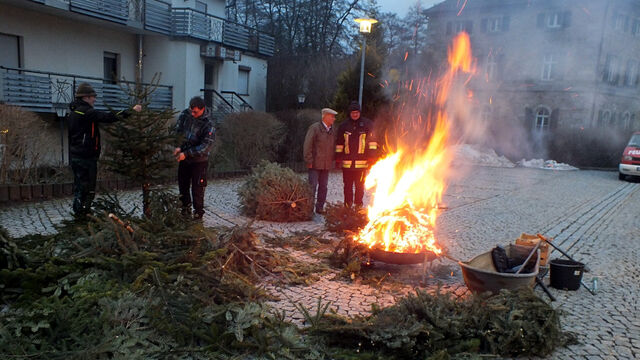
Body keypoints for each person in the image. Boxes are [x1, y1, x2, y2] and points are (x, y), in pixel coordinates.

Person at [68, 82, 141, 217]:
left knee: (79, 186)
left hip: (76, 156)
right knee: (88, 188)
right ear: (86, 97)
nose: (94, 99)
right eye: (92, 97)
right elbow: (109, 117)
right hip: (87, 157)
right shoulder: (87, 112)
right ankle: (83, 214)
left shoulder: (73, 112)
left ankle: (79, 211)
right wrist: (131, 111)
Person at [173, 96, 215, 220]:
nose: (192, 114)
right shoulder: (186, 115)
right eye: (191, 110)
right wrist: (178, 146)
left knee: (197, 189)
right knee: (183, 186)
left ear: (202, 109)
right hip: (184, 159)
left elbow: (205, 147)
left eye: (195, 112)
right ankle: (185, 212)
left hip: (199, 162)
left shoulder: (209, 125)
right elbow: (179, 131)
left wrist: (186, 153)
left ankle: (198, 215)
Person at [335, 101, 378, 208]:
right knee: (347, 187)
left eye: (357, 112)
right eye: (353, 112)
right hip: (347, 164)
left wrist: (372, 157)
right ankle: (347, 207)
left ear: (360, 113)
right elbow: (339, 143)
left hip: (362, 164)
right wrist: (338, 158)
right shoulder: (343, 126)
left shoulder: (368, 124)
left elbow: (372, 142)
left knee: (359, 187)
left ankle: (358, 206)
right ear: (349, 113)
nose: (355, 114)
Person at [303, 108, 337, 214]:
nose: (334, 119)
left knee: (324, 187)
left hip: (326, 165)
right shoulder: (314, 128)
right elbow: (307, 145)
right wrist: (308, 160)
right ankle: (308, 208)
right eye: (332, 116)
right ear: (325, 116)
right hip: (315, 164)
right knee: (312, 187)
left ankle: (320, 208)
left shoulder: (332, 130)